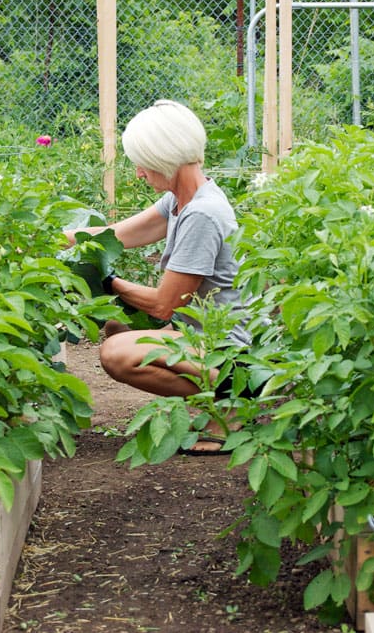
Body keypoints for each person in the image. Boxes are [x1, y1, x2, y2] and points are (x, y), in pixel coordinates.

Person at [63, 99, 250, 452]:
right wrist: (54, 241)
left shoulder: (202, 215)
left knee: (117, 353)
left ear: (165, 156)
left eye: (142, 163)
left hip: (231, 350)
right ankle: (213, 396)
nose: (138, 173)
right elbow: (117, 235)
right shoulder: (181, 199)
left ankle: (231, 406)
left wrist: (107, 283)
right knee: (119, 327)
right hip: (199, 334)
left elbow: (164, 305)